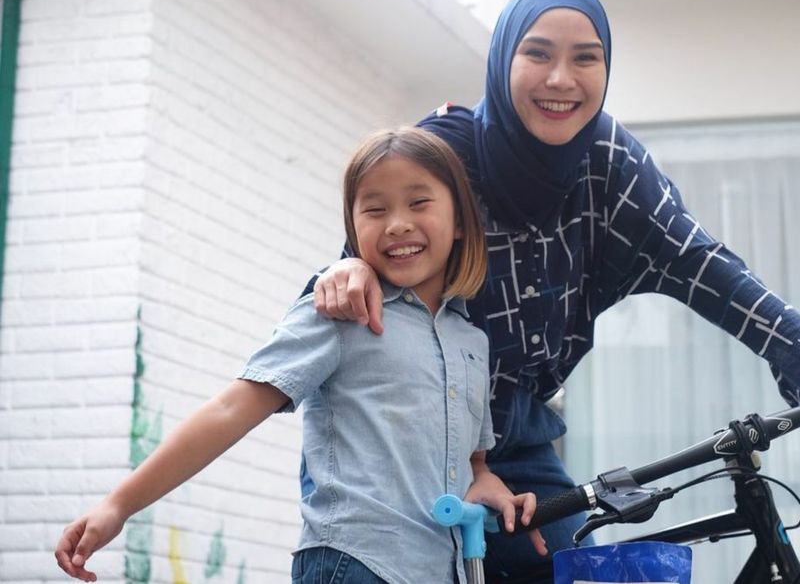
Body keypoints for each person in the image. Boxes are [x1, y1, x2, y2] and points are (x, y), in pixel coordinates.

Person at [308, 0, 800, 581]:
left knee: (571, 563)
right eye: (537, 53)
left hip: (515, 432)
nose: (561, 79)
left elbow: (701, 262)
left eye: (586, 58)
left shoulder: (608, 162)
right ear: (501, 61)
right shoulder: (444, 154)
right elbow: (358, 275)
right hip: (403, 433)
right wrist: (348, 266)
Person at [54, 127, 546, 584]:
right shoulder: (341, 312)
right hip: (353, 563)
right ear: (352, 227)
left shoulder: (471, 342)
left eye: (419, 203)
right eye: (375, 209)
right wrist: (119, 505)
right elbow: (230, 409)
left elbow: (472, 459)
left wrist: (484, 481)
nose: (398, 224)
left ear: (459, 221)